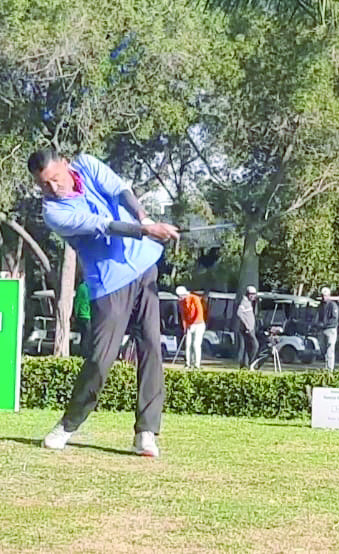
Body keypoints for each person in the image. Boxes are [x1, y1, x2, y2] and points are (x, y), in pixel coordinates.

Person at [27, 148, 178, 457]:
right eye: (44, 185)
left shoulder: (87, 164)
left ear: (66, 165)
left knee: (151, 347)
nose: (53, 188)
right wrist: (145, 229)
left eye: (55, 179)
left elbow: (119, 189)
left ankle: (146, 432)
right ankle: (69, 424)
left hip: (145, 266)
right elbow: (101, 224)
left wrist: (144, 216)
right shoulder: (53, 213)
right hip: (109, 284)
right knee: (100, 359)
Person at [176, 286, 206, 369]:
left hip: (199, 325)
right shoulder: (181, 302)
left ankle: (197, 364)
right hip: (189, 326)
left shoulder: (194, 299)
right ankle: (188, 363)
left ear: (185, 294)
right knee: (188, 344)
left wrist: (193, 323)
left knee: (196, 344)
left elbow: (199, 313)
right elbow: (183, 316)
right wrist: (185, 327)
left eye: (181, 296)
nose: (180, 298)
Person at [235, 285, 259, 369]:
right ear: (249, 294)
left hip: (250, 328)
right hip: (247, 329)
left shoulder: (249, 302)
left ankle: (245, 365)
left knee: (246, 347)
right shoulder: (244, 302)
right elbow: (239, 313)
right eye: (253, 294)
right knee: (255, 345)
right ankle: (252, 363)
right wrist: (246, 325)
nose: (254, 296)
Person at [316, 287, 339, 372]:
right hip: (322, 330)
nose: (324, 297)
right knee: (323, 349)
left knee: (330, 348)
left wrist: (325, 324)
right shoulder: (320, 306)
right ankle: (325, 366)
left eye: (325, 295)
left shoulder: (333, 305)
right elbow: (319, 317)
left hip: (331, 329)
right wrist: (317, 324)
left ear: (329, 295)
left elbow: (334, 318)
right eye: (322, 295)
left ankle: (330, 369)